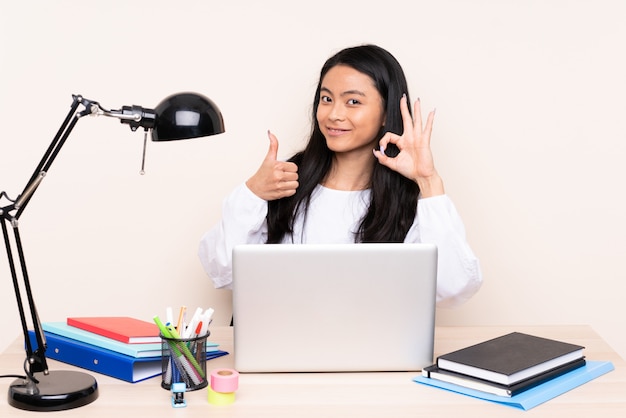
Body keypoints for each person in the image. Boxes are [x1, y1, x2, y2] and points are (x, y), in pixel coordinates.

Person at [198, 44, 481, 308]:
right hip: (286, 351)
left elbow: (453, 289)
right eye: (326, 99)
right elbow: (223, 272)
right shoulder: (283, 181)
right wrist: (252, 193)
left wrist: (428, 182)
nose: (334, 114)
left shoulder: (408, 200)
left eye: (353, 102)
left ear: (386, 113)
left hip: (373, 352)